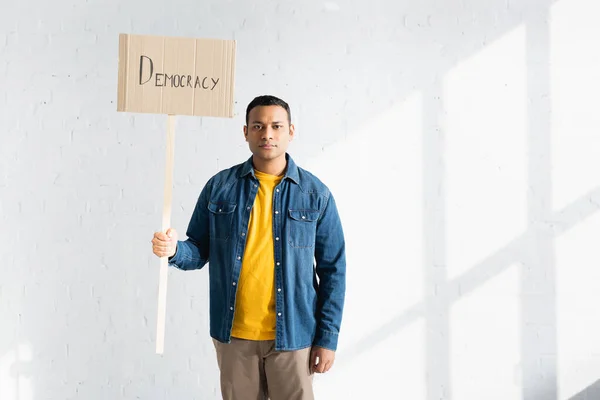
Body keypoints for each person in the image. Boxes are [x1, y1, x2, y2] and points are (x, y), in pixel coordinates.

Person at [151, 95, 346, 400]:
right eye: (258, 126)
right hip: (235, 336)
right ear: (245, 132)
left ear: (291, 131)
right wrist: (174, 250)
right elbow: (198, 251)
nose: (267, 134)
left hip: (294, 336)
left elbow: (333, 271)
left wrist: (328, 338)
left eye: (276, 126)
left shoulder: (315, 195)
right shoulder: (220, 187)